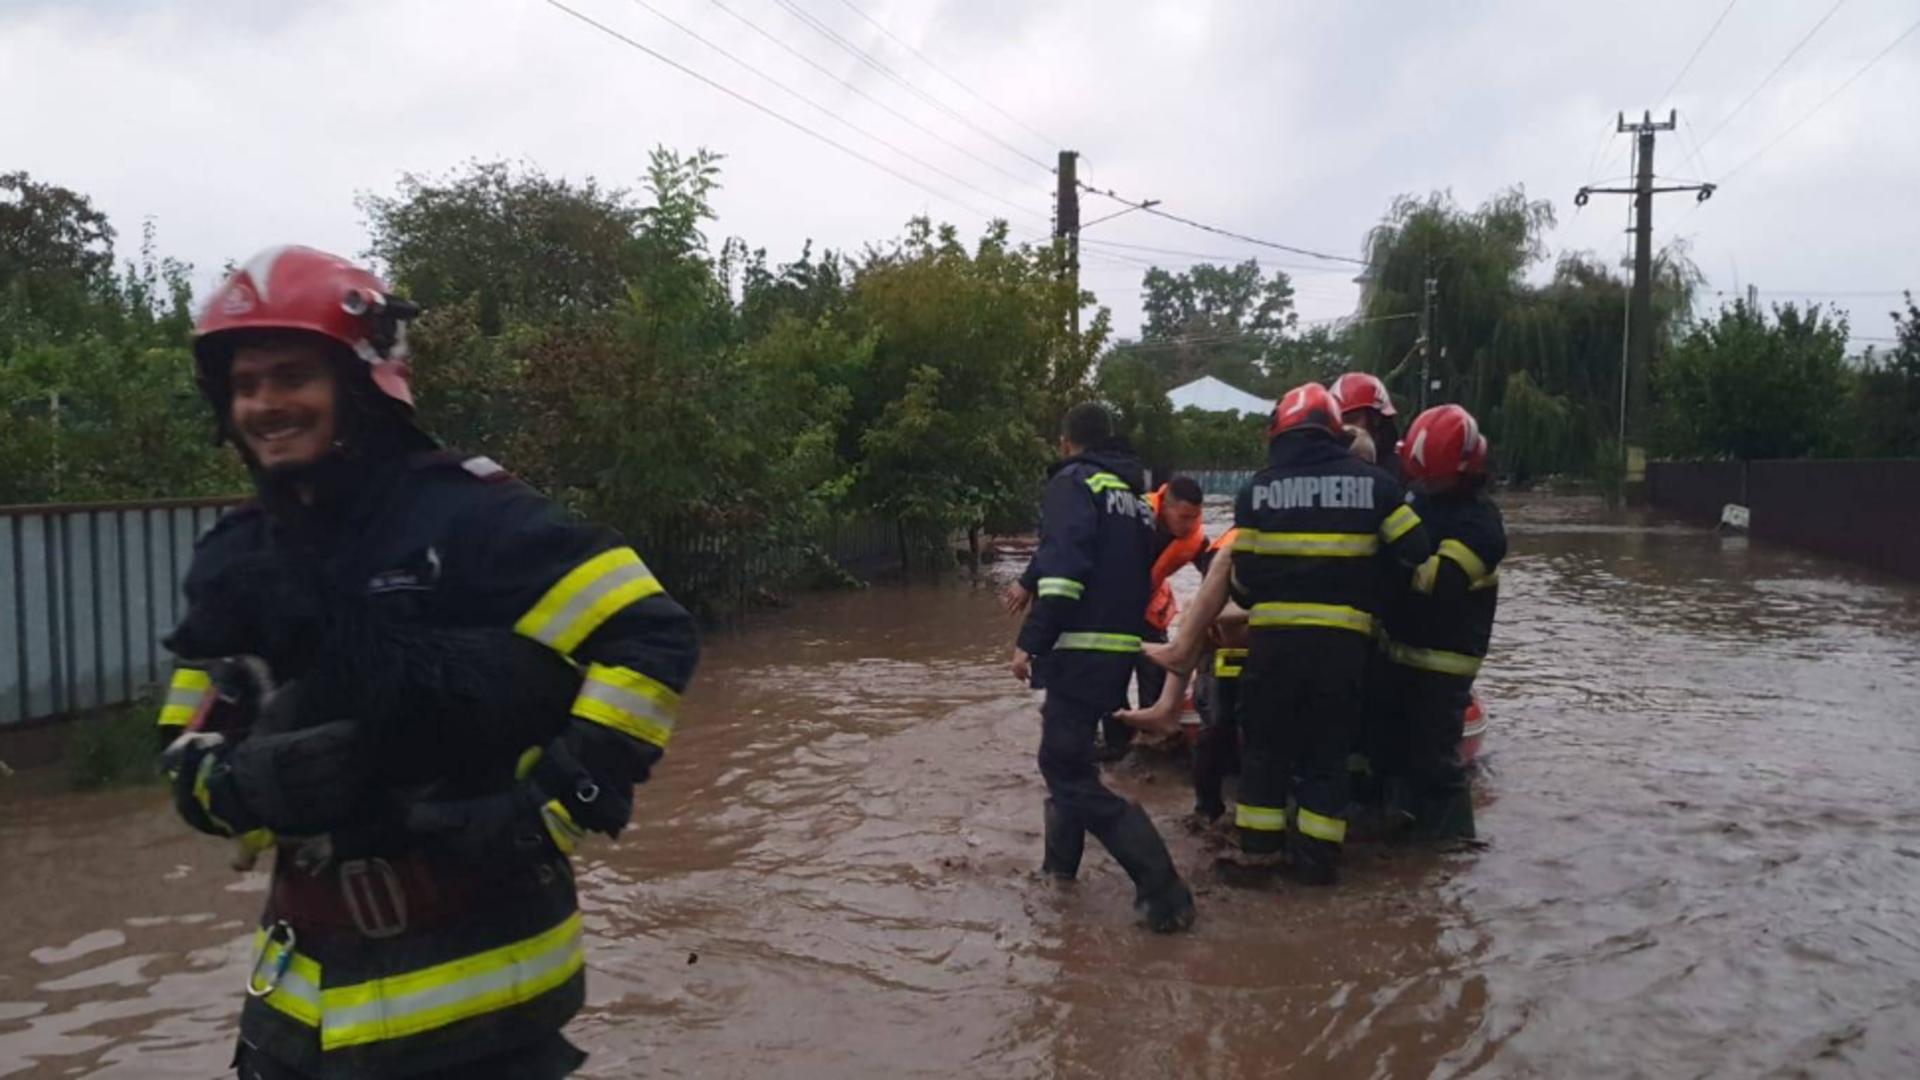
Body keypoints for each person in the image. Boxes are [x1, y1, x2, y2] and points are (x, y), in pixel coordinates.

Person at [154, 246, 700, 1079]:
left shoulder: (475, 521)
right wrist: (237, 787)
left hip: (486, 1013)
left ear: (359, 379)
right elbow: (185, 745)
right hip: (297, 1017)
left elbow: (649, 634)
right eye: (246, 383)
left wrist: (551, 807)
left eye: (293, 376)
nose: (266, 404)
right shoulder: (236, 560)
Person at [1225, 382, 1432, 884]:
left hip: (1273, 648)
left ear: (1281, 435)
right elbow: (1418, 552)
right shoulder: (1378, 486)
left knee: (1265, 752)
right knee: (1327, 755)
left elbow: (1245, 583)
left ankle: (1258, 858)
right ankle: (1317, 864)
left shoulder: (1256, 491)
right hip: (1342, 650)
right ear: (1335, 433)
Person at [1011, 402, 1195, 933]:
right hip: (1118, 649)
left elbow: (1065, 572)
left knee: (1063, 767)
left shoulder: (1073, 483)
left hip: (1080, 648)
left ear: (1067, 441)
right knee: (1071, 763)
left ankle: (1163, 888)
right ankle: (1059, 876)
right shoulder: (1134, 499)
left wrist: (1029, 641)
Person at [1009, 476, 1212, 760]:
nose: (1190, 524)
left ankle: (1152, 746)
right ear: (1165, 507)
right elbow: (1060, 545)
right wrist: (1028, 581)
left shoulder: (1196, 540)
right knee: (1107, 678)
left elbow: (1215, 574)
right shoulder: (1133, 514)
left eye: (1196, 517)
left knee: (1154, 678)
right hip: (1111, 609)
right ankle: (1114, 746)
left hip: (1150, 609)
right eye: (1184, 517)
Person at [1379, 404, 1505, 841]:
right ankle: (1401, 834)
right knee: (1388, 749)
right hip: (1400, 652)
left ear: (1466, 470)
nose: (1424, 484)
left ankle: (1454, 845)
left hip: (1444, 662)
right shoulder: (1420, 494)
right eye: (1419, 476)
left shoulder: (1481, 525)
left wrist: (1379, 565)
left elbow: (1439, 584)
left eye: (1432, 477)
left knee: (1434, 761)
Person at [1331, 372, 1403, 481]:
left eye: (1352, 420)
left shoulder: (1403, 469)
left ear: (1376, 419)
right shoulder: (1325, 471)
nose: (1346, 429)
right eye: (1338, 422)